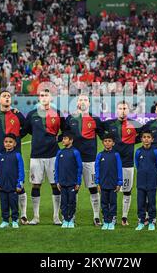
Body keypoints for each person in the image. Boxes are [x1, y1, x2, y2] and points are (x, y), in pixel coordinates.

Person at [0, 91, 28, 225]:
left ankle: (23, 215)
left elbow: (27, 127)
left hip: (14, 156)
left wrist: (17, 139)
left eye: (9, 96)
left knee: (19, 186)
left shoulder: (17, 114)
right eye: (4, 96)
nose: (7, 98)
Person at [23, 88, 65, 225]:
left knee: (55, 185)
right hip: (36, 155)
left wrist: (55, 140)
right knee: (36, 185)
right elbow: (26, 130)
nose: (44, 97)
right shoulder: (32, 115)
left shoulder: (57, 114)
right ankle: (35, 217)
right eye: (41, 95)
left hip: (53, 154)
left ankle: (56, 217)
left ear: (51, 98)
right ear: (38, 98)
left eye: (46, 95)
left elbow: (66, 131)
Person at [65, 94, 104, 226]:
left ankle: (96, 216)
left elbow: (104, 136)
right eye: (80, 100)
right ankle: (71, 215)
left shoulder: (95, 119)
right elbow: (64, 135)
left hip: (90, 159)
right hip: (73, 160)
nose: (82, 102)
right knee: (73, 188)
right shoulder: (70, 119)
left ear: (89, 103)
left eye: (85, 99)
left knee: (93, 188)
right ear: (77, 104)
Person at [103, 100, 141, 226]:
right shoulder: (109, 124)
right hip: (112, 163)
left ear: (128, 110)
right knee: (110, 190)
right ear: (117, 110)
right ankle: (110, 216)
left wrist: (131, 142)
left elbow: (144, 134)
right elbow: (101, 135)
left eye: (125, 108)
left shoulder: (135, 124)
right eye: (120, 108)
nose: (122, 110)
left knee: (127, 190)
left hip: (128, 163)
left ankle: (124, 217)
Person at [0, 134, 25, 229]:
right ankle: (5, 221)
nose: (8, 144)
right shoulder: (0, 156)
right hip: (2, 185)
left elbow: (21, 170)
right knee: (4, 204)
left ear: (15, 144)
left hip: (13, 186)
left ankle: (15, 220)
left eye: (10, 142)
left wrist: (19, 183)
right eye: (6, 142)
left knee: (13, 203)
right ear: (3, 143)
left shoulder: (17, 155)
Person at [54, 132, 83, 229]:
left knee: (71, 201)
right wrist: (57, 181)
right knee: (63, 202)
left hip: (72, 183)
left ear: (71, 140)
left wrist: (78, 182)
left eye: (65, 139)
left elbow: (79, 167)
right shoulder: (60, 152)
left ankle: (71, 219)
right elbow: (56, 167)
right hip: (62, 183)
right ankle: (65, 219)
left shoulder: (75, 152)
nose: (63, 140)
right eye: (62, 139)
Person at [134, 130, 157, 231]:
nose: (146, 139)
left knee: (151, 202)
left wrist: (152, 173)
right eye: (144, 137)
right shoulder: (138, 151)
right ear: (141, 139)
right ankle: (141, 221)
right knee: (140, 202)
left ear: (152, 139)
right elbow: (137, 165)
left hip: (151, 181)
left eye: (148, 137)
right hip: (141, 181)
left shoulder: (155, 152)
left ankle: (152, 221)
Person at [95, 134, 123, 231]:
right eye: (105, 141)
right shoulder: (100, 155)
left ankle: (112, 220)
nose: (107, 142)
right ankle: (106, 220)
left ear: (113, 143)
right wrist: (97, 182)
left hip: (113, 184)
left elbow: (119, 168)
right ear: (103, 143)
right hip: (103, 184)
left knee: (113, 202)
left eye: (109, 141)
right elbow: (97, 169)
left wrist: (119, 182)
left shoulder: (116, 155)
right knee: (104, 203)